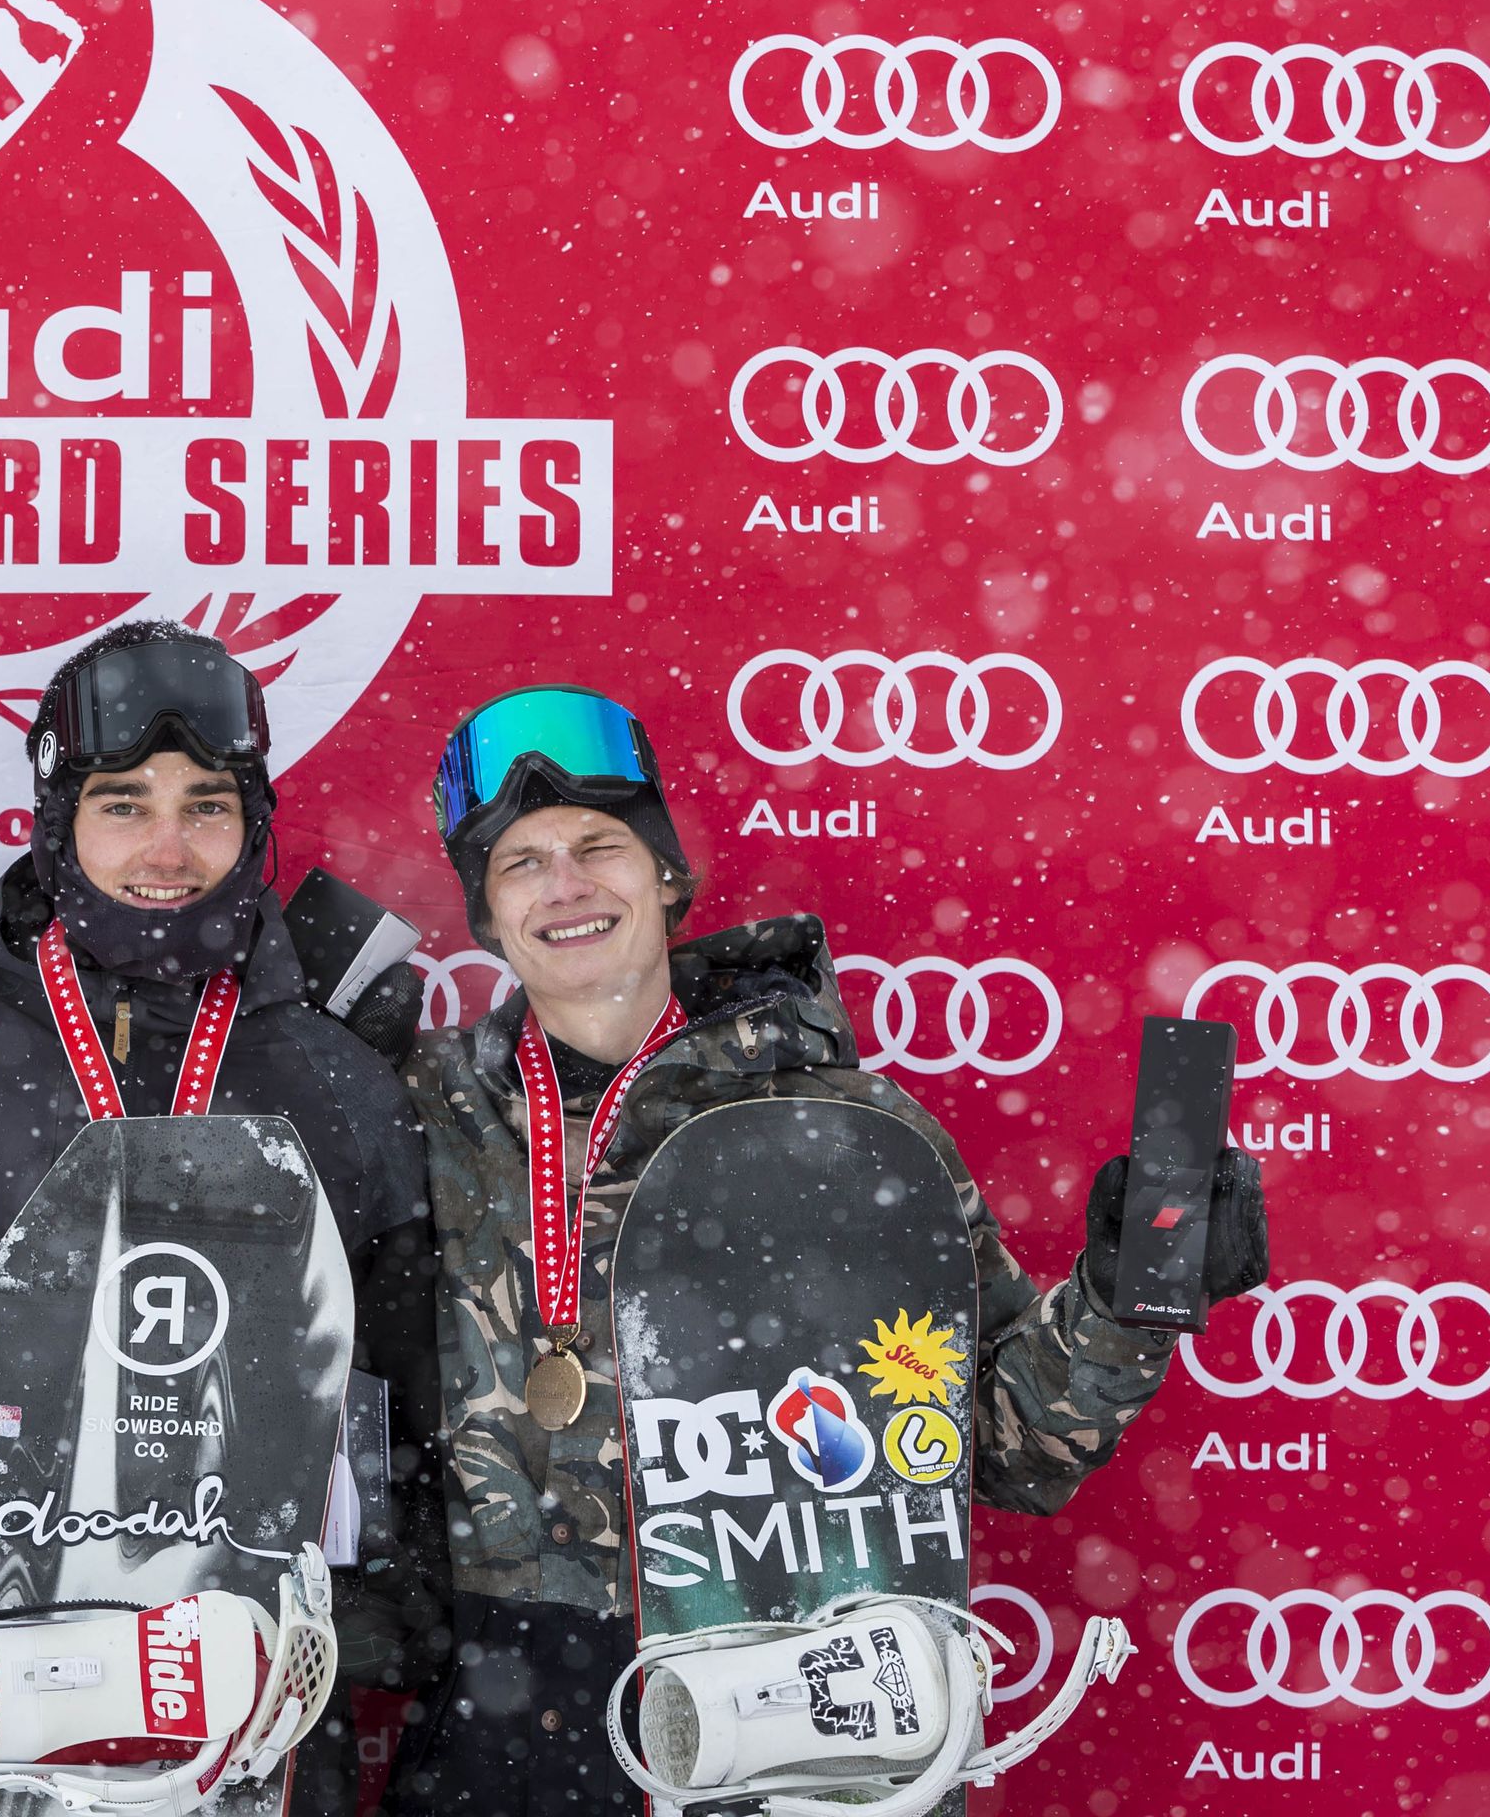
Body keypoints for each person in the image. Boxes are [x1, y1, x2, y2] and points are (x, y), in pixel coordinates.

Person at [384, 685, 1269, 1813]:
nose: (565, 885)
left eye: (599, 846)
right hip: (507, 1715)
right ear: (485, 915)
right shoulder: (427, 1117)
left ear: (666, 874)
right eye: (521, 863)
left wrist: (1128, 1297)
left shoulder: (848, 1132)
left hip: (787, 1687)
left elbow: (1004, 1447)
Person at [0, 621, 443, 1815]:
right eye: (123, 803)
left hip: (242, 1660)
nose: (168, 846)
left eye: (207, 805)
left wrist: (387, 1570)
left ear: (253, 822)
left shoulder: (337, 1080)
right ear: (58, 821)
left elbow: (384, 1373)